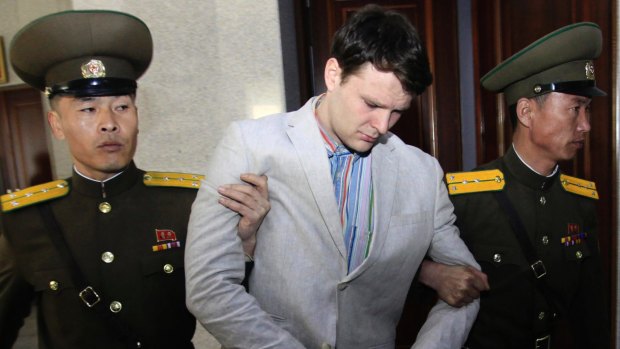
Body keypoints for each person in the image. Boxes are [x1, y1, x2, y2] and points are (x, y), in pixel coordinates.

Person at [185, 5, 481, 348]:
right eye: (371, 104)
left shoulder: (423, 173)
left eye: (397, 111)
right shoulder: (250, 144)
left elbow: (466, 284)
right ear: (333, 74)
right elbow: (209, 285)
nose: (382, 127)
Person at [0, 10, 269, 349]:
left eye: (122, 107)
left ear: (137, 117)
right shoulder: (25, 221)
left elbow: (234, 307)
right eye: (87, 109)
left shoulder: (185, 204)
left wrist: (245, 244)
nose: (109, 123)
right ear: (56, 125)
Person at [421, 22, 610, 348]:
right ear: (526, 111)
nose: (586, 125)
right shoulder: (466, 198)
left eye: (587, 110)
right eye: (575, 109)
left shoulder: (580, 201)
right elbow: (395, 272)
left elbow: (589, 311)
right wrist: (431, 274)